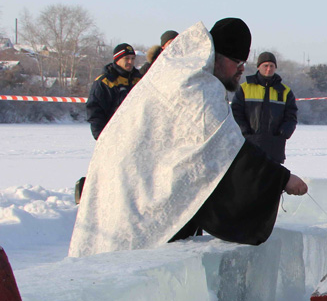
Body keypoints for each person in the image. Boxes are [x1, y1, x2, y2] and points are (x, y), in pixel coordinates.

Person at [69, 18, 308, 258]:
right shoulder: (196, 89)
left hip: (128, 187)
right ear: (218, 56)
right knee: (121, 268)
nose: (241, 69)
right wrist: (280, 178)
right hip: (133, 197)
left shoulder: (178, 74)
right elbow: (226, 155)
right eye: (237, 61)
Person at [231, 52, 298, 164]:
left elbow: (291, 116)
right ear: (258, 67)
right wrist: (245, 132)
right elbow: (236, 113)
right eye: (265, 65)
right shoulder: (245, 88)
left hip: (275, 148)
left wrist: (283, 134)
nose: (268, 69)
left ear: (275, 67)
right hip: (248, 145)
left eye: (272, 66)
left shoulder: (285, 92)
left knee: (273, 181)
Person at [86, 43, 142, 139]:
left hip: (135, 135)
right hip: (113, 136)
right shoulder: (105, 82)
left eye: (133, 59)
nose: (130, 62)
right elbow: (95, 110)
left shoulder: (139, 80)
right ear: (117, 60)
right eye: (127, 58)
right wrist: (101, 137)